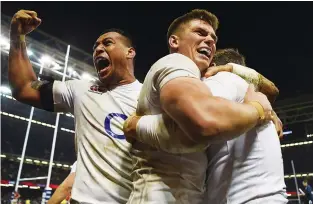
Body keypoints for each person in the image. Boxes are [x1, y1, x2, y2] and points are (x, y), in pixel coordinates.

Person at [124, 9, 277, 204]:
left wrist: (232, 68)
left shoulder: (202, 82)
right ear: (174, 41)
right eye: (200, 33)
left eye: (213, 37)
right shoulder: (176, 62)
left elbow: (272, 92)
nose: (210, 40)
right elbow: (205, 123)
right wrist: (258, 109)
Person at [9, 10, 142, 203]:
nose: (98, 49)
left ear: (130, 52)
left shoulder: (150, 96)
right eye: (95, 46)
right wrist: (17, 37)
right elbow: (24, 88)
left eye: (107, 43)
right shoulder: (80, 89)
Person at [202, 48, 287, 204]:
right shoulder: (252, 93)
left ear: (212, 66)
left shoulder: (223, 78)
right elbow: (273, 90)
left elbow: (202, 116)